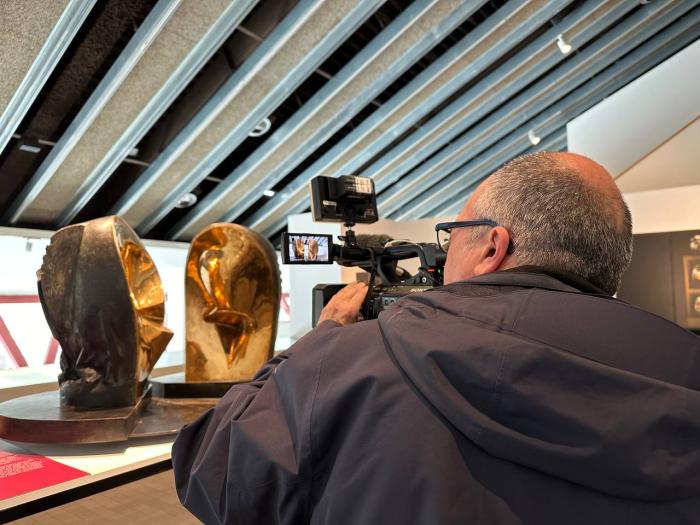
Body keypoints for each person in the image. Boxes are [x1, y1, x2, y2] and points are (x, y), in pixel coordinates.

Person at [172, 152, 700, 524]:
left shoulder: (342, 363)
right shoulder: (687, 367)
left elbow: (209, 471)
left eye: (453, 237)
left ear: (494, 246)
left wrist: (321, 339)